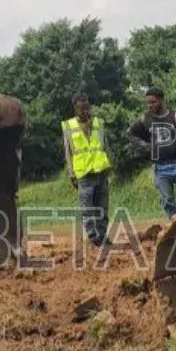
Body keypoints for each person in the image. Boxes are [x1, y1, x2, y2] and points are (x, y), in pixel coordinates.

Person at [128, 87, 176, 220]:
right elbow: (131, 134)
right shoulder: (145, 119)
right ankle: (175, 227)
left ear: (161, 100)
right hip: (160, 168)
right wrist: (147, 147)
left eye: (153, 102)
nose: (150, 106)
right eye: (147, 103)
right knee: (167, 202)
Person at [61, 92, 111, 246]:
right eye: (82, 109)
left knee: (102, 206)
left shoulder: (98, 123)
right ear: (75, 109)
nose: (85, 111)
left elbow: (105, 145)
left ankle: (102, 235)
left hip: (101, 171)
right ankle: (92, 236)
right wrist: (71, 173)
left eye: (87, 108)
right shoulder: (69, 126)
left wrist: (110, 165)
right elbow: (68, 152)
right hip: (83, 174)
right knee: (87, 209)